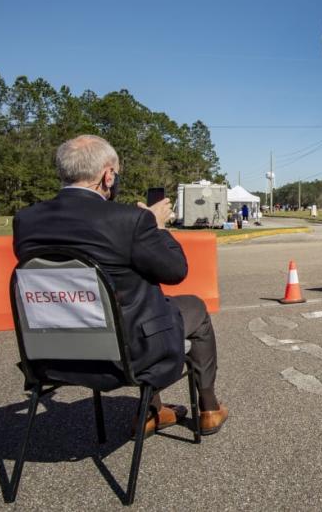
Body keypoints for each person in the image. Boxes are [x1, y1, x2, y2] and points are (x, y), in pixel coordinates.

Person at [13, 135, 228, 436]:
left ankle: (154, 411)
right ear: (107, 174)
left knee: (132, 304)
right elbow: (175, 271)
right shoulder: (130, 221)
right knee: (195, 308)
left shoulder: (26, 220)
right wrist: (157, 226)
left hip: (50, 356)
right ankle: (208, 409)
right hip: (124, 358)